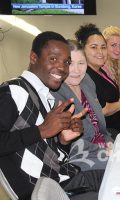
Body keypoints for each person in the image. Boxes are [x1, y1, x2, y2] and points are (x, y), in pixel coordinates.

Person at [0, 31, 104, 199]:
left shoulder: (46, 97)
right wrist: (41, 130)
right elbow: (38, 133)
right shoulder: (13, 91)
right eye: (53, 59)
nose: (63, 68)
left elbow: (50, 154)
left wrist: (64, 141)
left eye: (66, 62)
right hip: (46, 192)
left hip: (62, 178)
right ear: (34, 58)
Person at [51, 40, 114, 171]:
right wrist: (104, 150)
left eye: (81, 63)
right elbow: (68, 143)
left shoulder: (87, 82)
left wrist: (110, 143)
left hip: (104, 146)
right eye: (70, 63)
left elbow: (100, 128)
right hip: (80, 156)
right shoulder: (55, 93)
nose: (76, 70)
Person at [75, 23, 120, 138]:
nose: (100, 52)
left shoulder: (100, 70)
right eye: (94, 47)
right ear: (83, 49)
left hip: (119, 125)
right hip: (106, 133)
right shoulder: (85, 75)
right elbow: (101, 110)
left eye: (103, 47)